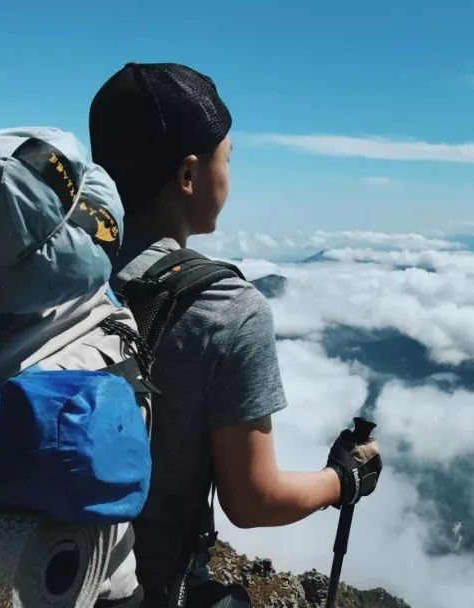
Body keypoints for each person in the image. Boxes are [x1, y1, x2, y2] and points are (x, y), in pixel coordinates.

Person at [88, 63, 383, 606]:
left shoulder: (57, 275)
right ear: (188, 175)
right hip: (141, 586)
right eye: (228, 158)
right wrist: (343, 479)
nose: (230, 174)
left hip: (23, 561)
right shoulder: (225, 307)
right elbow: (253, 502)